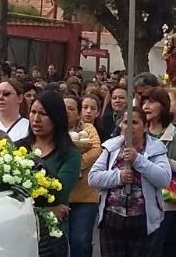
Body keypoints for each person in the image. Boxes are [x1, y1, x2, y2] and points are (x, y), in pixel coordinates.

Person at [88, 108, 172, 257]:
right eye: (126, 122)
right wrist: (118, 177)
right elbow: (93, 178)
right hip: (111, 219)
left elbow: (164, 179)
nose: (129, 127)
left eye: (134, 122)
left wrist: (138, 161)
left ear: (145, 126)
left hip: (142, 220)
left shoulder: (156, 149)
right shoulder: (111, 147)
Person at [18, 91, 83, 257]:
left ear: (56, 118)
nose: (36, 119)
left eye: (43, 114)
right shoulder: (18, 148)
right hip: (19, 229)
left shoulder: (70, 154)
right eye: (33, 112)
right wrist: (45, 208)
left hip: (51, 234)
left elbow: (58, 192)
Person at [143, 87, 176, 257]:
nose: (146, 106)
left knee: (154, 249)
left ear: (164, 106)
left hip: (164, 202)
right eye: (143, 101)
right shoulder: (136, 131)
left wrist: (169, 163)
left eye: (152, 102)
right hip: (137, 201)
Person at [65, 95, 103, 257]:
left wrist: (77, 164)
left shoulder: (87, 128)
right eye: (63, 108)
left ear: (79, 112)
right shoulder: (51, 127)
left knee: (80, 241)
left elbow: (96, 149)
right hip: (59, 195)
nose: (66, 112)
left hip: (85, 196)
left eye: (71, 109)